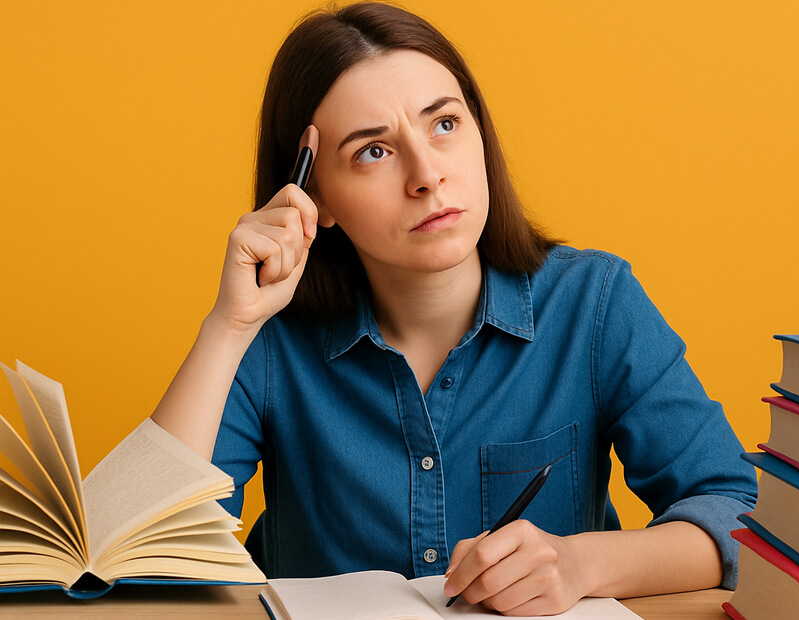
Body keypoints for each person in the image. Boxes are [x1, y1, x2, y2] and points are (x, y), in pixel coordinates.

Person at [150, 2, 756, 615]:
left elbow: (738, 516)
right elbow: (152, 558)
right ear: (314, 197)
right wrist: (229, 326)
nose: (427, 175)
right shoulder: (270, 339)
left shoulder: (594, 304)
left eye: (444, 124)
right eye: (373, 151)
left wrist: (581, 563)